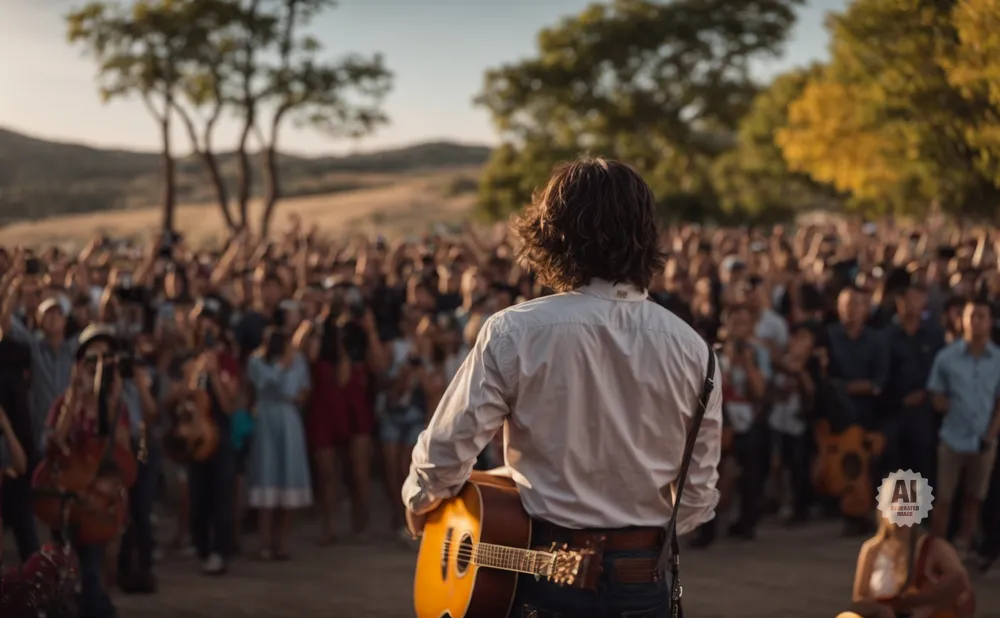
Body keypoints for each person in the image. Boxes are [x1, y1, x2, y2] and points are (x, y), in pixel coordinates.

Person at [402, 158, 722, 617]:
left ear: (553, 237)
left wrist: (421, 500)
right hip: (642, 583)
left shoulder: (516, 331)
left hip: (541, 578)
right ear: (647, 236)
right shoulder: (697, 351)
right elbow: (695, 500)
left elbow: (446, 451)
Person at [43, 325, 132, 618]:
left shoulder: (117, 404)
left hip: (104, 500)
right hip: (71, 502)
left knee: (103, 568)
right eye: (91, 360)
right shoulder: (65, 403)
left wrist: (113, 402)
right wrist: (74, 396)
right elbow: (55, 443)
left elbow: (124, 452)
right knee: (82, 573)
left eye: (106, 360)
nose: (98, 368)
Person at [166, 295, 240, 575]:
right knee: (197, 499)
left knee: (221, 496)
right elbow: (172, 401)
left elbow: (229, 405)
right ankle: (202, 547)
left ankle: (221, 550)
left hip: (218, 436)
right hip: (193, 439)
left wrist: (215, 374)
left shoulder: (227, 360)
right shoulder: (185, 359)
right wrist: (191, 379)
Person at [926, 298, 1000, 554]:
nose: (976, 321)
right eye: (971, 316)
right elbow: (936, 395)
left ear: (990, 321)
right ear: (962, 320)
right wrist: (952, 406)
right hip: (952, 437)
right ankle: (936, 549)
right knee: (944, 497)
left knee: (974, 498)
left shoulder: (998, 360)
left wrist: (991, 433)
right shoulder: (946, 358)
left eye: (981, 316)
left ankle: (963, 543)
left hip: (983, 440)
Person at [246, 328, 312, 560]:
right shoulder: (256, 361)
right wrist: (280, 366)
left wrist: (295, 393)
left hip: (289, 418)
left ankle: (282, 541)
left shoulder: (299, 360)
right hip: (266, 419)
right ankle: (264, 542)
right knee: (267, 476)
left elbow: (302, 390)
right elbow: (263, 385)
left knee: (290, 477)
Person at [847, 515, 972, 618]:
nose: (898, 508)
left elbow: (960, 582)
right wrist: (880, 610)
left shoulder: (932, 546)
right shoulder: (872, 549)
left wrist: (930, 606)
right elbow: (858, 600)